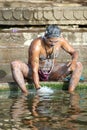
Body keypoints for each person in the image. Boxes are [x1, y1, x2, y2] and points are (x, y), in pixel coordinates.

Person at [11, 25, 83, 95]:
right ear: (45, 37)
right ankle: (25, 93)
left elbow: (74, 52)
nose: (53, 44)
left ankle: (70, 93)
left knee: (78, 65)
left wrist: (74, 61)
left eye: (55, 42)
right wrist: (38, 88)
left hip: (52, 72)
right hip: (34, 73)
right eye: (50, 41)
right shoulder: (37, 45)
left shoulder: (61, 41)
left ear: (59, 38)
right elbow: (34, 70)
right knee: (15, 64)